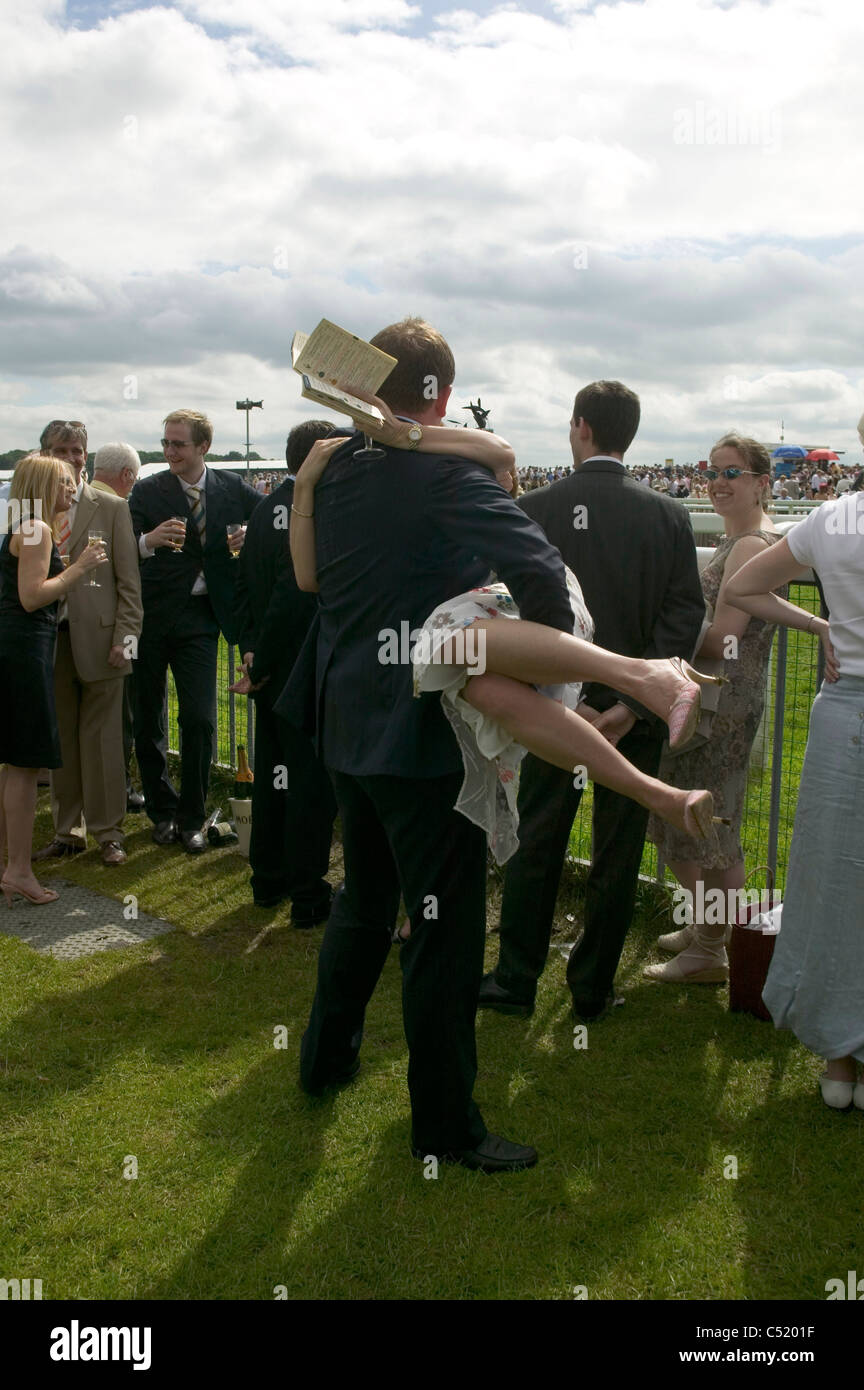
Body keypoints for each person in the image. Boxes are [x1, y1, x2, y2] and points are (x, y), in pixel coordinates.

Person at [288, 322, 720, 1176]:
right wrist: (534, 684)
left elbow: (318, 584)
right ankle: (446, 1125)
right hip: (424, 741)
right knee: (443, 938)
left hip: (348, 725)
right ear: (442, 394)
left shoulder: (332, 472)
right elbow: (540, 574)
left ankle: (325, 1060)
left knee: (364, 903)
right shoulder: (451, 474)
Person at [475, 381, 705, 1022]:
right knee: (617, 851)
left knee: (538, 839)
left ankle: (517, 978)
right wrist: (632, 705)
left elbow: (508, 607)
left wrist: (564, 698)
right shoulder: (668, 514)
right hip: (634, 713)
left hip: (554, 707)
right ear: (627, 434)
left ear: (580, 428)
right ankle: (593, 990)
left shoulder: (538, 507)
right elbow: (683, 615)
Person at [724, 487, 863, 1110]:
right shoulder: (833, 515)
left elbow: (744, 588)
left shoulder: (833, 516)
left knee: (833, 882)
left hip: (843, 714)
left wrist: (819, 624)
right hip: (843, 707)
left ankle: (839, 1058)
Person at [645, 434, 781, 983]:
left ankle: (710, 945)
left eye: (733, 473)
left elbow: (725, 638)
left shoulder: (751, 544)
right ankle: (709, 932)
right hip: (719, 697)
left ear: (762, 482)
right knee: (702, 818)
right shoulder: (743, 541)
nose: (719, 483)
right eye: (714, 472)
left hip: (719, 701)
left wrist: (656, 628)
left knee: (700, 822)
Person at [128, 411, 260, 853]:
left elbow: (273, 523)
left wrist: (251, 535)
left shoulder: (231, 488)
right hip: (151, 618)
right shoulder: (148, 491)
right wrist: (148, 541)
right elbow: (121, 549)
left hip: (203, 619)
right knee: (148, 718)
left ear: (203, 447)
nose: (169, 452)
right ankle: (161, 811)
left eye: (178, 445)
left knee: (200, 720)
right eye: (165, 443)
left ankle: (192, 817)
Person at [231, 420, 338, 919]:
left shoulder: (264, 508)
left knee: (275, 781)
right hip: (297, 673)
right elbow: (290, 599)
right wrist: (265, 661)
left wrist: (252, 654)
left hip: (267, 671)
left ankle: (268, 879)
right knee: (307, 788)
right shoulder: (307, 511)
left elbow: (244, 592)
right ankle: (307, 894)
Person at [32, 421, 142, 869]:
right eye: (62, 449)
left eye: (79, 450)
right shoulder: (28, 507)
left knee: (104, 742)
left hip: (103, 642)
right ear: (44, 454)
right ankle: (67, 832)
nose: (73, 458)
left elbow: (129, 586)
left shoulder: (111, 507)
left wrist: (126, 640)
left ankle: (109, 833)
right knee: (61, 743)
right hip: (45, 643)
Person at [0, 454, 107, 904]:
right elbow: (31, 597)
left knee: (7, 763)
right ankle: (21, 871)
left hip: (11, 646)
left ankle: (7, 864)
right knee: (24, 764)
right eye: (64, 482)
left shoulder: (16, 526)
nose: (72, 487)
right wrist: (78, 570)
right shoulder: (38, 530)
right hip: (25, 648)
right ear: (45, 486)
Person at [90, 442, 145, 814]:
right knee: (116, 722)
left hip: (75, 632)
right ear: (127, 475)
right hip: (110, 635)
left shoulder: (72, 502)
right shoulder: (116, 507)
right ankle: (118, 792)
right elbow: (127, 580)